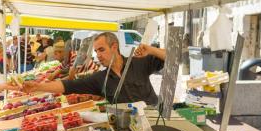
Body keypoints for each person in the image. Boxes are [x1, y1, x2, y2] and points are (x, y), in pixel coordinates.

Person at [23, 32, 166, 105]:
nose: (98, 55)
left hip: (155, 119)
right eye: (96, 51)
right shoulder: (100, 79)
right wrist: (39, 86)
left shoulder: (139, 63)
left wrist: (151, 50)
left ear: (114, 47)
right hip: (129, 129)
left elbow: (173, 58)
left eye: (101, 50)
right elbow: (68, 85)